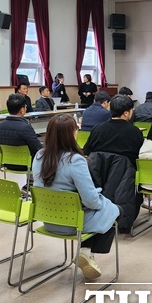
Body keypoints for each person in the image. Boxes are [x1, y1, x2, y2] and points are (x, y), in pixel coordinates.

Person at [32, 114, 120, 280]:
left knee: (104, 206)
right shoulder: (76, 160)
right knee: (114, 210)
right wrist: (101, 198)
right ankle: (86, 251)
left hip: (48, 220)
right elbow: (91, 201)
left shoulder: (38, 156)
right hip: (71, 223)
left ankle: (85, 252)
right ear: (71, 134)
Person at [0, 94, 43, 194]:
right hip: (25, 165)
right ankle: (33, 184)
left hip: (7, 163)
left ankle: (29, 184)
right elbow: (37, 148)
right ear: (22, 110)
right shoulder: (25, 127)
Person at [83, 95, 144, 170]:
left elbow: (87, 151)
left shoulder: (97, 129)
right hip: (125, 176)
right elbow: (139, 156)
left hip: (99, 175)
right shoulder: (134, 132)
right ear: (126, 113)